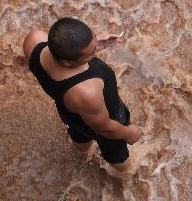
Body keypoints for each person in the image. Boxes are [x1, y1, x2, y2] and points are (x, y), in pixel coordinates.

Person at [23, 17, 143, 171]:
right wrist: (130, 132)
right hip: (106, 123)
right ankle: (125, 176)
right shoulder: (85, 92)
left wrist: (91, 44)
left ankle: (82, 157)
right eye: (91, 52)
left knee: (79, 135)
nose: (95, 50)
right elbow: (106, 128)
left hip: (69, 114)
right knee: (119, 160)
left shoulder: (34, 40)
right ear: (68, 62)